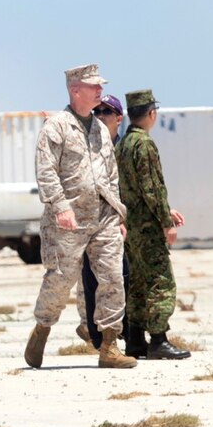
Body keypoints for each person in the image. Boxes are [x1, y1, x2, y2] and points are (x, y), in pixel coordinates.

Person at [24, 64, 136, 370]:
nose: (100, 90)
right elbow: (46, 171)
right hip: (69, 219)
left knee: (113, 278)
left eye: (100, 86)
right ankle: (42, 328)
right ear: (76, 90)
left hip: (104, 216)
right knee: (61, 280)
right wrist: (60, 207)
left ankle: (110, 345)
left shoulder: (100, 128)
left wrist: (117, 211)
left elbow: (109, 172)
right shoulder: (56, 127)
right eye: (93, 86)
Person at [115, 90, 190, 360]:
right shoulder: (144, 144)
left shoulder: (122, 144)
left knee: (137, 282)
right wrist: (165, 221)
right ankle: (158, 339)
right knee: (161, 282)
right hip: (147, 227)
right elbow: (152, 188)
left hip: (131, 226)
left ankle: (135, 339)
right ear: (151, 114)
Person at [81, 95, 132, 349]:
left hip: (126, 226)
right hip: (96, 226)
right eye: (97, 111)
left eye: (107, 112)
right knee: (92, 280)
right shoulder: (87, 149)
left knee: (123, 278)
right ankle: (99, 336)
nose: (100, 115)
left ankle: (125, 334)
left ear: (119, 119)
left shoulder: (125, 150)